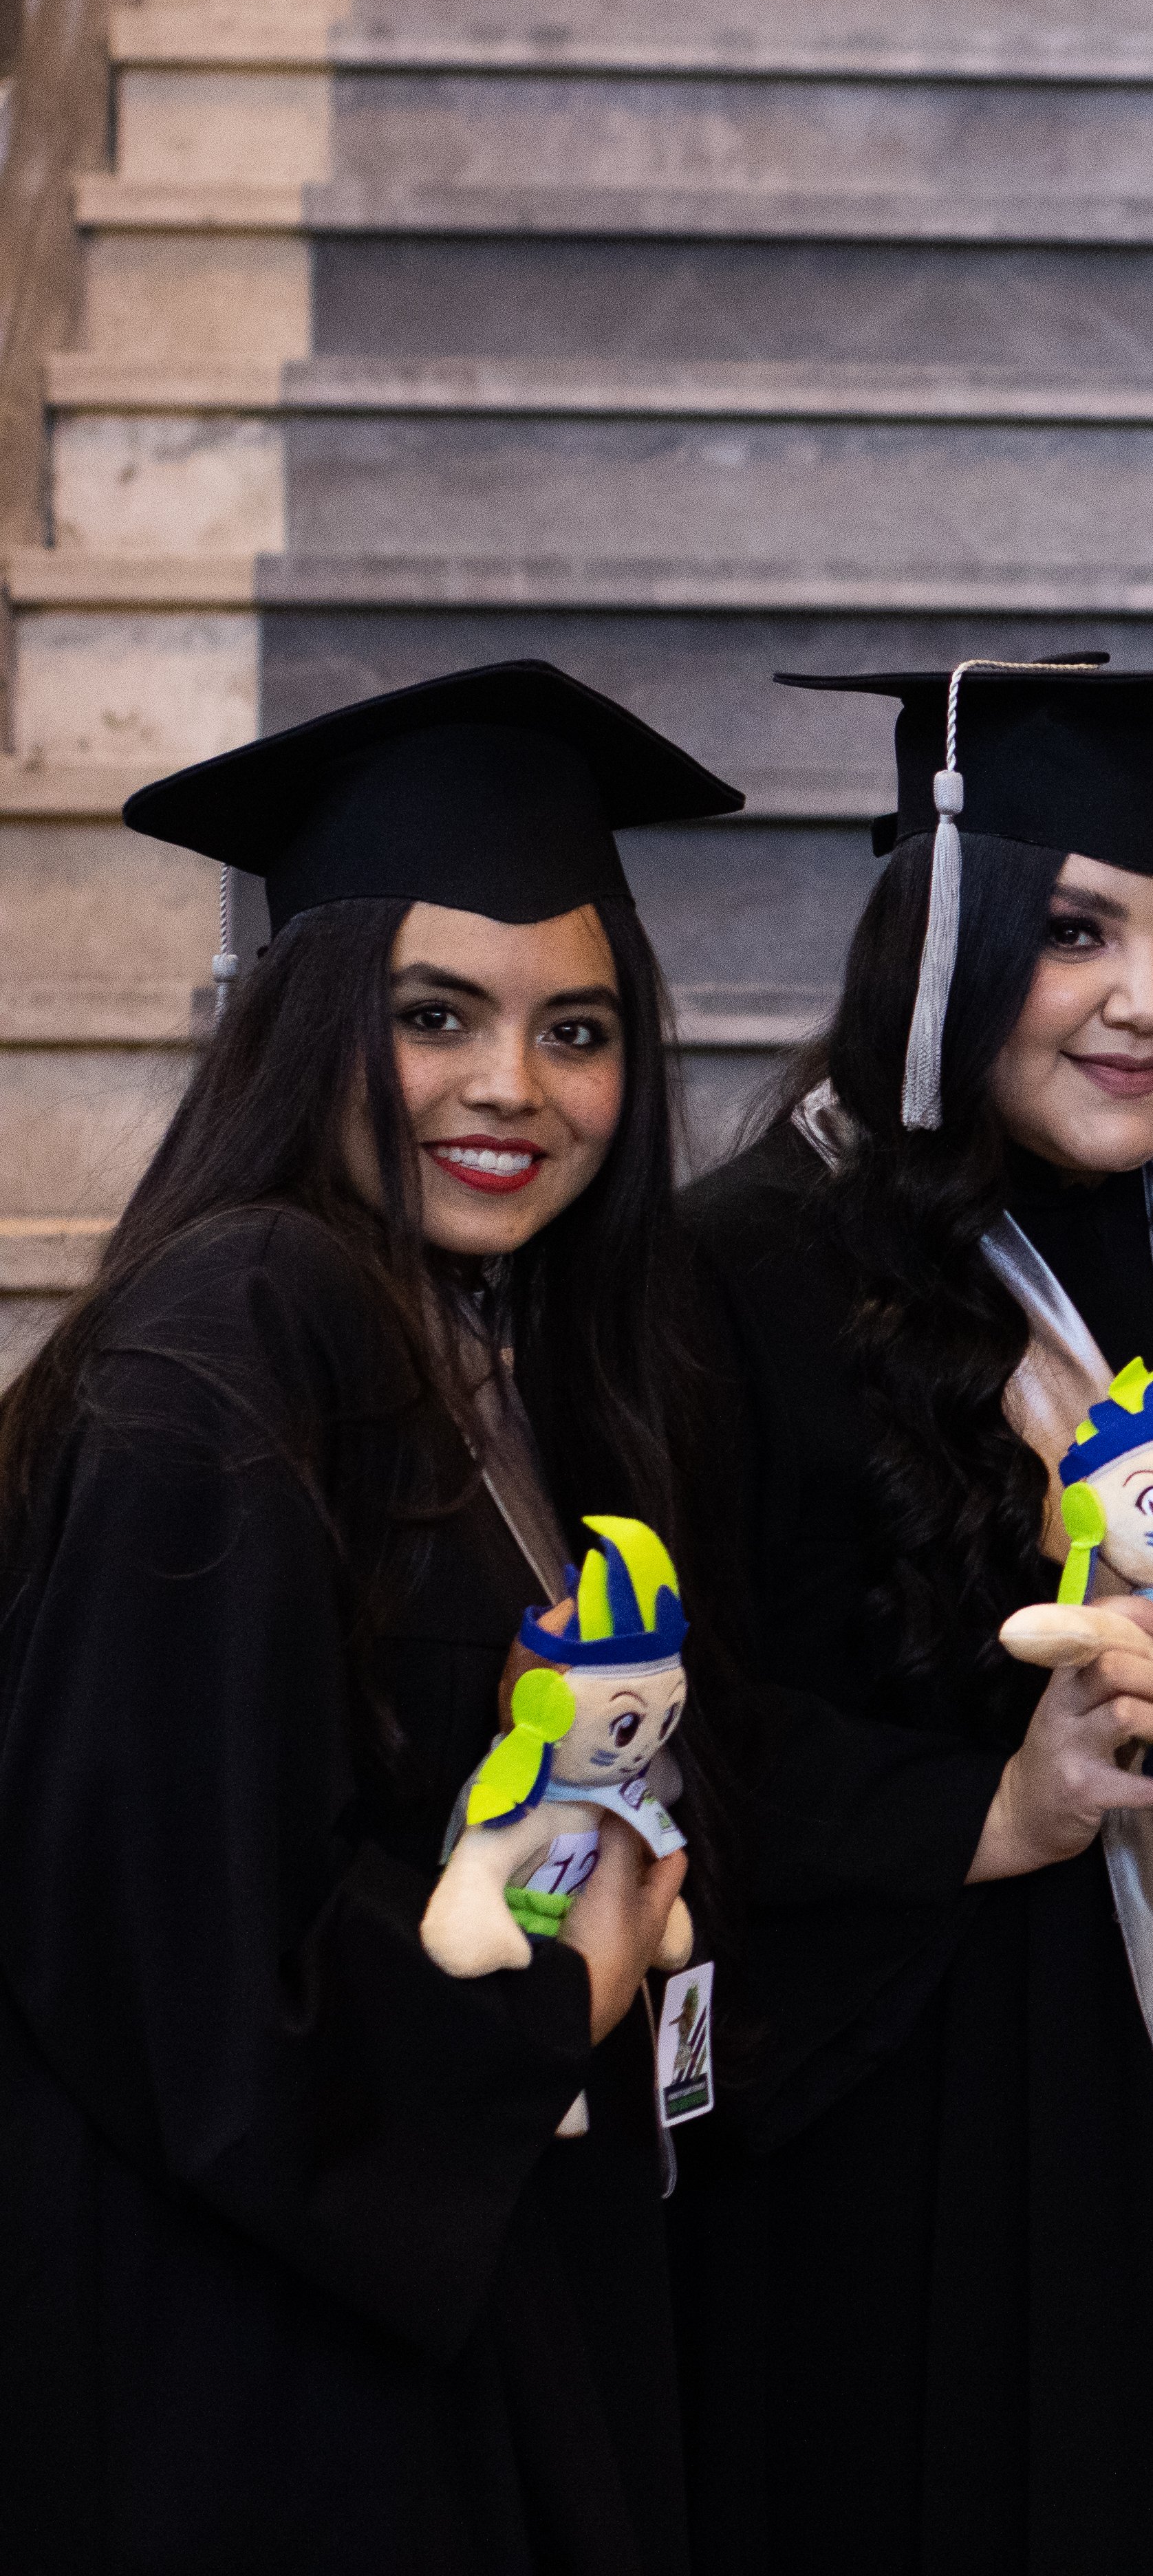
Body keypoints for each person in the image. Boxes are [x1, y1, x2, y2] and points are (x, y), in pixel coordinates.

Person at [667, 658, 1153, 2576]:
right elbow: (689, 1731)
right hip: (945, 2147)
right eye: (1074, 931)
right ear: (945, 938)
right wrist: (990, 1810)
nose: (1147, 1002)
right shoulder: (752, 1270)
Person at [0, 664, 731, 2570]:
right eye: (435, 1018)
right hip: (259, 2360)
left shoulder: (496, 1349)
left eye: (577, 1029)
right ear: (307, 1025)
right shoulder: (238, 1335)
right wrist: (566, 1992)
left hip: (442, 2283)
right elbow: (177, 1953)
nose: (515, 1089)